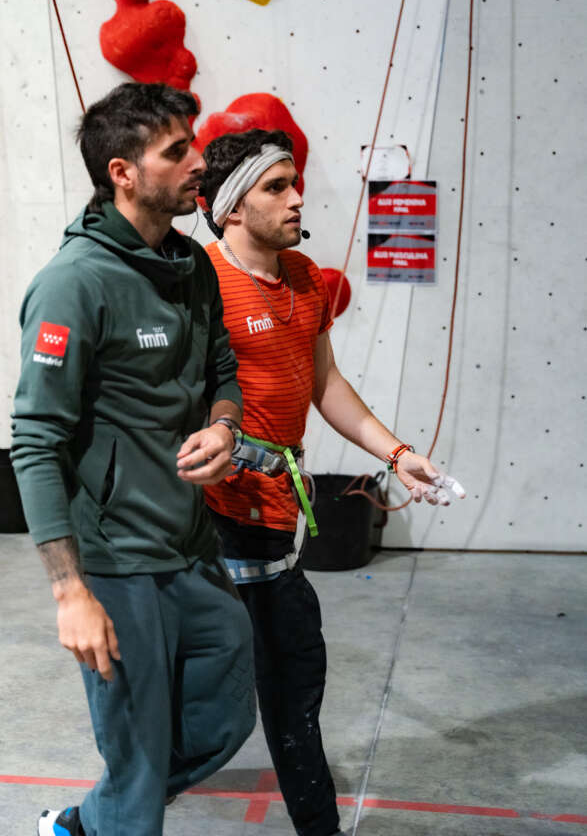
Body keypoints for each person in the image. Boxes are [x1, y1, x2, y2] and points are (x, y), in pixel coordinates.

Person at [199, 128, 465, 836]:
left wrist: (396, 453)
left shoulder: (305, 276)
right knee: (253, 687)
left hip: (280, 511)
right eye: (276, 187)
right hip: (217, 519)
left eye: (294, 183)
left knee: (280, 682)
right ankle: (104, 813)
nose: (297, 198)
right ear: (232, 206)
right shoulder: (201, 284)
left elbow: (324, 382)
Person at [10, 82, 256, 836]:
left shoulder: (192, 264)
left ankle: (93, 819)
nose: (198, 162)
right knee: (141, 763)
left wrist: (223, 427)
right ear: (122, 172)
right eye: (176, 151)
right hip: (116, 561)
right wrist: (70, 594)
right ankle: (120, 811)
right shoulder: (72, 284)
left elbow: (222, 372)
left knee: (222, 719)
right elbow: (35, 441)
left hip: (189, 544)